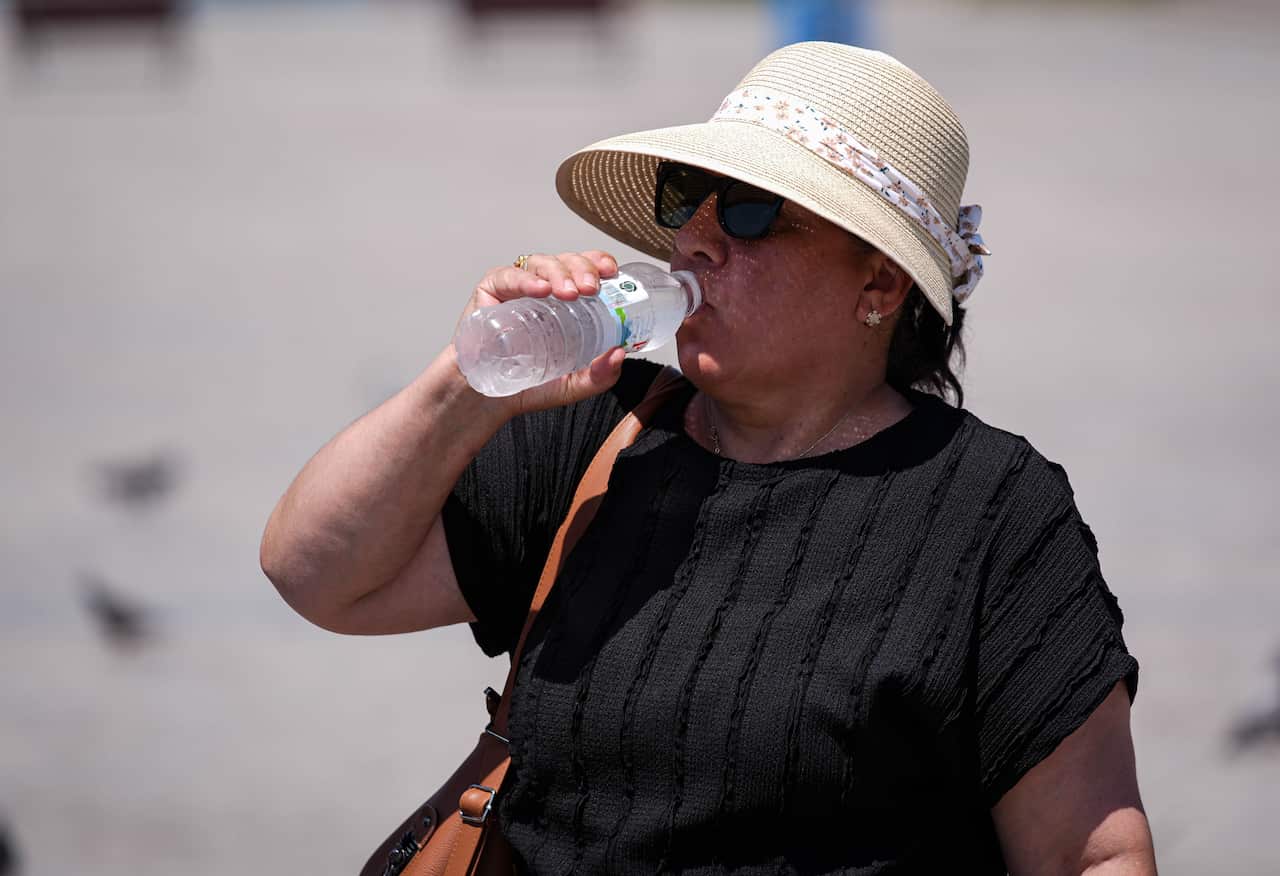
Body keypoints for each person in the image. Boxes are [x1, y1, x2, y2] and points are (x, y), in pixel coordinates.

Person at [260, 42, 1157, 875]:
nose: (696, 237)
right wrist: (466, 382)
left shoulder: (989, 511)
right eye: (688, 196)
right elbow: (318, 575)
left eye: (754, 211)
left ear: (878, 284)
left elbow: (1095, 852)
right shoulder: (603, 437)